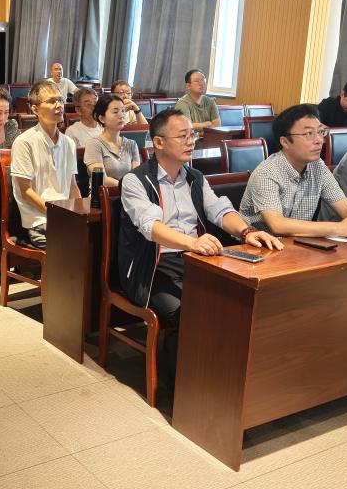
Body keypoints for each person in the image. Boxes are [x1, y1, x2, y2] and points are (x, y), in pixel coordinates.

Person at [120, 108, 282, 400]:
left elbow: (219, 210)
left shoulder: (195, 177)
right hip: (153, 265)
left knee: (235, 299)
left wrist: (246, 232)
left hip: (194, 259)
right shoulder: (136, 180)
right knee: (188, 311)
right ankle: (184, 393)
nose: (191, 141)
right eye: (182, 136)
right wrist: (191, 243)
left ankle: (224, 379)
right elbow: (150, 227)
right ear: (158, 142)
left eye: (192, 134)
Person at [239, 104, 347, 238]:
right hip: (257, 247)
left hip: (297, 244)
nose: (320, 140)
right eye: (309, 134)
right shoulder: (267, 172)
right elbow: (278, 225)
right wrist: (340, 228)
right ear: (285, 142)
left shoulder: (317, 166)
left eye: (320, 132)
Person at [10, 79, 80, 249]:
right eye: (51, 101)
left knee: (97, 238)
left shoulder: (69, 143)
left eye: (61, 100)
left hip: (64, 216)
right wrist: (56, 214)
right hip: (39, 220)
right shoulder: (24, 142)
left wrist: (80, 213)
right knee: (71, 248)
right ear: (35, 109)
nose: (59, 105)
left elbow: (72, 186)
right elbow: (26, 191)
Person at [84, 94, 140, 187]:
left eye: (123, 111)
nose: (121, 115)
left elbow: (137, 176)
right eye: (115, 112)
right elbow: (102, 179)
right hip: (103, 194)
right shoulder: (94, 144)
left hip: (129, 193)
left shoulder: (131, 144)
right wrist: (126, 188)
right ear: (102, 118)